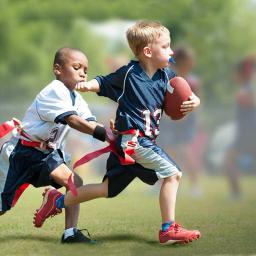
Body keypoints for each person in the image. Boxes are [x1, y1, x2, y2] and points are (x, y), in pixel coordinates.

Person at [34, 21, 201, 245]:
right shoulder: (129, 74)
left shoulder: (166, 76)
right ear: (148, 52)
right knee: (173, 174)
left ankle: (56, 201)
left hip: (136, 145)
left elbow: (185, 94)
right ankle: (168, 229)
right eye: (166, 46)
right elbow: (103, 82)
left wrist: (195, 101)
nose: (171, 51)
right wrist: (86, 86)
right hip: (134, 141)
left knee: (107, 189)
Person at [0, 47, 114, 244]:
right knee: (3, 205)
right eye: (76, 67)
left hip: (46, 154)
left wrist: (111, 132)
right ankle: (52, 203)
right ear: (57, 69)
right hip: (24, 152)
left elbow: (89, 121)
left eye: (86, 70)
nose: (82, 73)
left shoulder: (76, 97)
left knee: (74, 184)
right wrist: (104, 134)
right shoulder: (55, 90)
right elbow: (73, 120)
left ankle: (70, 233)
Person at [159, 46, 205, 197]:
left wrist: (185, 115)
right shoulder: (168, 78)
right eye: (188, 60)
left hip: (187, 122)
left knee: (185, 153)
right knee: (166, 153)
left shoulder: (193, 81)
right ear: (180, 61)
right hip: (169, 120)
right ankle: (161, 184)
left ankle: (195, 186)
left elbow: (197, 103)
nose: (192, 63)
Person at [222, 56, 256, 199]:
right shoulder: (247, 88)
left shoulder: (247, 89)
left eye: (236, 73)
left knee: (228, 160)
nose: (233, 76)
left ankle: (236, 194)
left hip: (248, 133)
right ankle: (236, 193)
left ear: (242, 74)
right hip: (247, 132)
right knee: (229, 160)